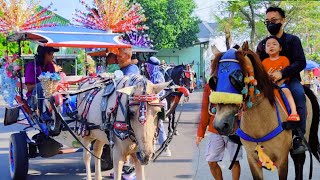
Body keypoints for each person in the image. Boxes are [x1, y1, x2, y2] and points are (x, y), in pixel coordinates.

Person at [256, 6, 307, 154]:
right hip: (267, 83)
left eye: (274, 20)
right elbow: (258, 66)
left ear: (283, 20)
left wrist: (282, 73)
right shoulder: (262, 45)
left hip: (290, 80)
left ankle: (298, 136)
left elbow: (300, 62)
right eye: (267, 21)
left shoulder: (293, 40)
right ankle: (242, 131)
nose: (270, 24)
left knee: (298, 95)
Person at [197, 83, 242, 180]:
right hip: (215, 129)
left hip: (233, 128)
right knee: (211, 161)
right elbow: (205, 108)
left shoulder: (237, 81)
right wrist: (200, 133)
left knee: (235, 160)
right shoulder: (210, 85)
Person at [262, 36, 300, 122]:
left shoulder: (284, 59)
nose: (271, 46)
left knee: (286, 90)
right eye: (268, 45)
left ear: (280, 48)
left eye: (274, 44)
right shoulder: (264, 62)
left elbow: (286, 74)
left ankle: (293, 112)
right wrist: (267, 76)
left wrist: (279, 83)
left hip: (280, 83)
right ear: (265, 50)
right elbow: (263, 76)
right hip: (268, 85)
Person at [145, 56, 172, 157]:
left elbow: (158, 92)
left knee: (159, 125)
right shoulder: (154, 75)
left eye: (148, 66)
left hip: (158, 104)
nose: (147, 68)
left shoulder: (157, 76)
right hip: (155, 103)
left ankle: (165, 148)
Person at [25, 46, 59, 120]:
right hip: (34, 98)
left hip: (49, 97)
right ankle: (42, 115)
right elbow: (29, 88)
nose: (53, 57)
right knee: (40, 86)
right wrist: (45, 84)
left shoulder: (50, 66)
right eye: (51, 54)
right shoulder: (31, 66)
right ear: (45, 54)